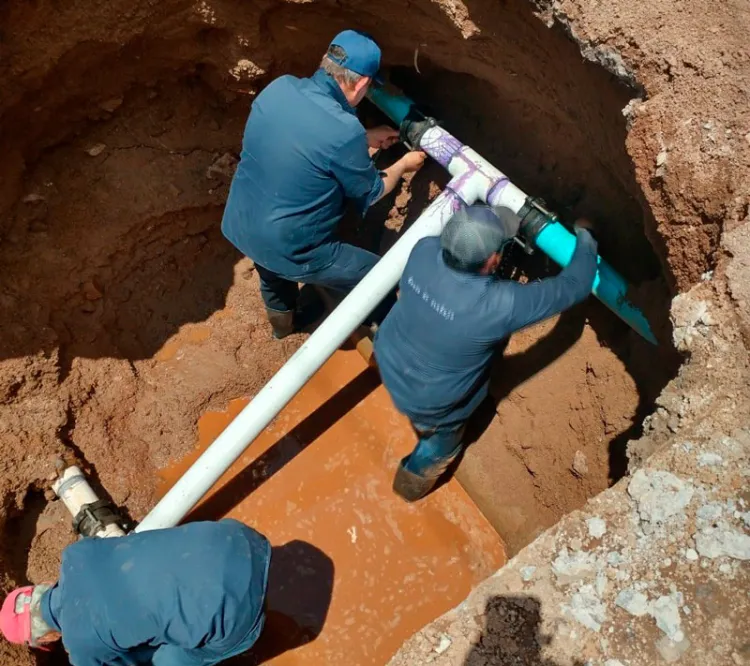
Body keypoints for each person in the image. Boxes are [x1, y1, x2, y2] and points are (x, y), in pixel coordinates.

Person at [373, 204, 599, 501]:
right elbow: (576, 284)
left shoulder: (424, 249)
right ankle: (411, 485)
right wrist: (586, 236)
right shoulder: (500, 305)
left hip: (387, 353)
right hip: (428, 402)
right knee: (442, 441)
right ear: (493, 259)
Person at [222, 29, 426, 339]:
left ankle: (283, 328)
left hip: (242, 222)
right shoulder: (344, 132)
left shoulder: (280, 87)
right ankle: (388, 338)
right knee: (377, 275)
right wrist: (402, 165)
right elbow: (372, 192)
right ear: (360, 83)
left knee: (272, 275)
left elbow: (297, 144)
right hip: (291, 247)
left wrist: (364, 141)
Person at [0, 519, 271, 665]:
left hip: (238, 611)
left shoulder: (81, 648)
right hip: (236, 537)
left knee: (164, 660)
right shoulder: (76, 554)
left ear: (47, 636)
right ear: (41, 588)